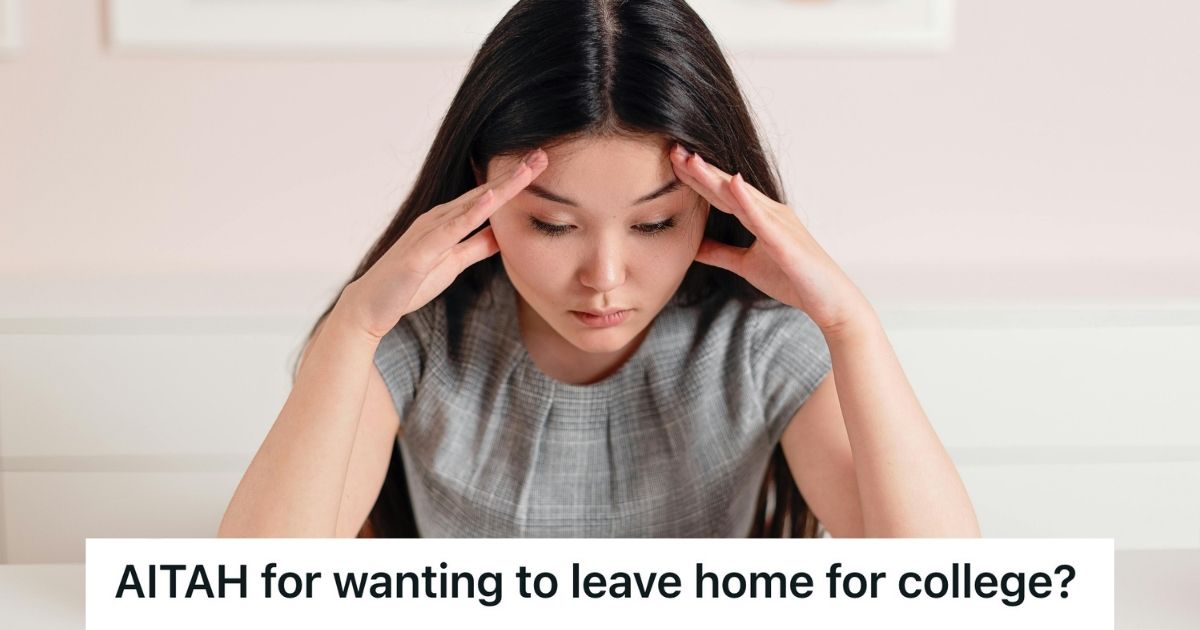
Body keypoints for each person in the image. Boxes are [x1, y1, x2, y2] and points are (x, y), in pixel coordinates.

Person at [218, 0, 980, 539]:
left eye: (655, 223)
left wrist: (852, 327)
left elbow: (943, 592)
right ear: (479, 196)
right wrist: (353, 326)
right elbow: (251, 594)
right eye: (551, 223)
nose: (604, 277)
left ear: (712, 208)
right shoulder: (419, 343)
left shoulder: (754, 345)